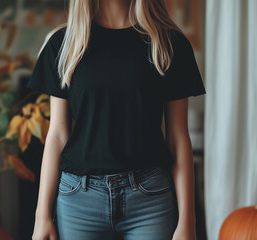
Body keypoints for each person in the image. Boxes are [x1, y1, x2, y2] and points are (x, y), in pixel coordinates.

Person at [27, 0, 206, 239]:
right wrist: (42, 217)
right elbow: (57, 136)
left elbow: (178, 139)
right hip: (78, 201)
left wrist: (188, 221)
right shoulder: (63, 44)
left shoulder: (169, 43)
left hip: (150, 199)